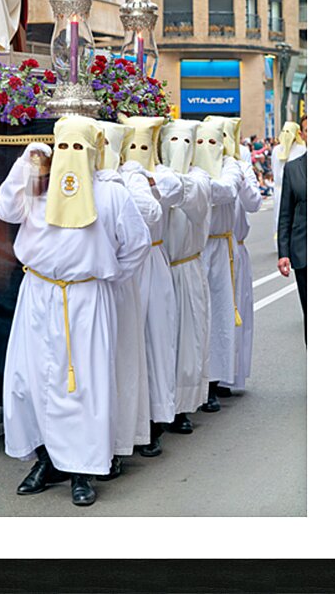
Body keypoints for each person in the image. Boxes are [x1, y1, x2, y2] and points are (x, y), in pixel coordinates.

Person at [0, 116, 151, 507]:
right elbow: (6, 210)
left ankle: (83, 470)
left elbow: (137, 244)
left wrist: (106, 277)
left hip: (86, 298)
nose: (70, 155)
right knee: (29, 381)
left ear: (94, 151)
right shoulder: (38, 188)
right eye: (63, 146)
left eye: (79, 147)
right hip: (38, 294)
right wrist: (25, 163)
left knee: (84, 386)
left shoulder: (110, 194)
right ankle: (46, 460)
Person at [118, 115, 184, 457]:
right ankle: (130, 423)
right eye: (130, 145)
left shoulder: (162, 175)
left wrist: (144, 176)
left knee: (157, 340)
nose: (136, 152)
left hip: (154, 262)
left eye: (143, 145)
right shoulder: (116, 177)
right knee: (129, 344)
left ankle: (157, 420)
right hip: (126, 267)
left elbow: (171, 195)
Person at [96, 121, 154, 476]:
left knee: (121, 362)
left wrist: (114, 273)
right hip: (87, 291)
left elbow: (143, 230)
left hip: (117, 286)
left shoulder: (122, 185)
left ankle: (120, 440)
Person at [159, 120, 212, 434]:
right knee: (158, 343)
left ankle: (181, 408)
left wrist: (160, 178)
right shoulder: (153, 173)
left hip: (186, 268)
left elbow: (186, 196)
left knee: (187, 342)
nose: (179, 148)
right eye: (172, 141)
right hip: (159, 269)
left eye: (185, 142)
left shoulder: (199, 178)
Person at [192, 117, 242, 412]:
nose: (205, 147)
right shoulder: (189, 166)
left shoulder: (229, 164)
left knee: (219, 314)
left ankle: (213, 382)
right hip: (192, 250)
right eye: (200, 142)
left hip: (220, 248)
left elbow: (227, 190)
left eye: (212, 142)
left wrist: (197, 184)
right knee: (194, 317)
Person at [217, 118, 262, 395]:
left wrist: (241, 178)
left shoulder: (242, 166)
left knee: (236, 312)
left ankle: (230, 375)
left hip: (235, 247)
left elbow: (254, 203)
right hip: (210, 249)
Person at [277, 115, 307, 342]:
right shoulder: (293, 169)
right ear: (302, 135)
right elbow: (285, 213)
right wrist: (283, 252)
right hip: (304, 252)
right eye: (308, 130)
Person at [272, 121, 307, 239]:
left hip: (290, 188)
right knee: (282, 218)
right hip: (281, 188)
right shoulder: (278, 150)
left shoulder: (299, 149)